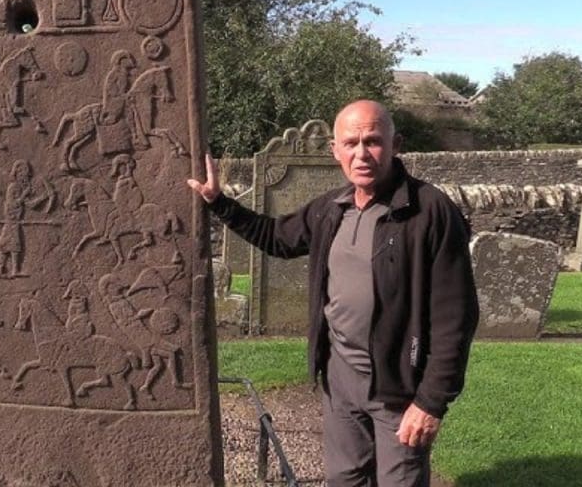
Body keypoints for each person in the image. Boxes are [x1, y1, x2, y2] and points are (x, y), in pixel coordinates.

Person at [187, 100, 478, 487]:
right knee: (345, 479)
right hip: (340, 378)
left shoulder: (429, 211)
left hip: (398, 383)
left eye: (373, 141)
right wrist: (219, 202)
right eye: (351, 143)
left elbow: (455, 315)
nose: (362, 154)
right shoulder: (332, 209)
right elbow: (277, 238)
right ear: (335, 150)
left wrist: (430, 402)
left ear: (396, 145)